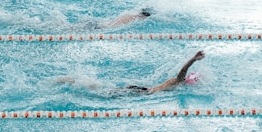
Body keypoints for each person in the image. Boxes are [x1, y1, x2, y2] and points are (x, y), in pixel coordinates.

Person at [56, 50, 205, 94]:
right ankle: (74, 82)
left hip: (140, 90)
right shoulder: (178, 82)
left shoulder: (176, 84)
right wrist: (193, 59)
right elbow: (183, 70)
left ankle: (77, 82)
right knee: (102, 93)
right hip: (141, 92)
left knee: (104, 91)